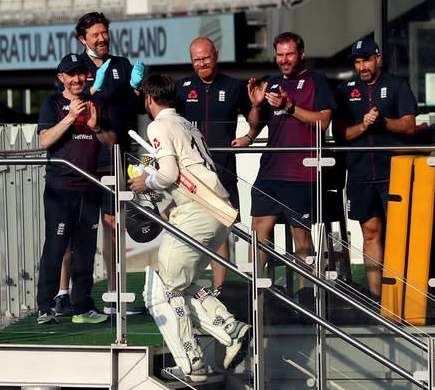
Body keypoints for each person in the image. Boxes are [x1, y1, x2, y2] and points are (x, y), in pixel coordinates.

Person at [129, 74, 251, 383]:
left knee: (160, 292)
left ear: (149, 99)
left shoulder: (158, 125)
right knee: (181, 285)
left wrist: (147, 182)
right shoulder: (187, 124)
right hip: (218, 208)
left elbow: (168, 174)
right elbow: (186, 170)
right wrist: (166, 198)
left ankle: (192, 363)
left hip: (197, 210)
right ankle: (229, 327)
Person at [245, 32, 335, 281]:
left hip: (303, 172)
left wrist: (289, 107)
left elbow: (324, 122)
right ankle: (257, 296)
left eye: (290, 54)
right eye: (280, 55)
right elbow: (255, 126)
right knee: (258, 233)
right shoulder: (272, 83)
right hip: (270, 172)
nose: (284, 60)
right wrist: (255, 105)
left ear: (302, 54)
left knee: (301, 236)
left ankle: (306, 296)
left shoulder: (317, 81)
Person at [36, 53, 116, 325]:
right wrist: (70, 117)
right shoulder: (52, 104)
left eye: (81, 73)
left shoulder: (95, 104)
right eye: (72, 74)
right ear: (62, 79)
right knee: (56, 248)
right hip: (60, 189)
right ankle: (45, 307)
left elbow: (111, 141)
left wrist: (95, 127)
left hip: (90, 187)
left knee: (85, 250)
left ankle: (82, 306)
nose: (78, 78)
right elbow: (45, 141)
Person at [75, 11, 146, 315]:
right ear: (83, 39)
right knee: (79, 226)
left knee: (114, 224)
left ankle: (117, 295)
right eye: (95, 34)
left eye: (105, 32)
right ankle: (68, 297)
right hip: (82, 154)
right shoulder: (74, 67)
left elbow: (137, 109)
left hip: (116, 153)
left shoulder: (121, 64)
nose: (102, 38)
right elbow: (68, 105)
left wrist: (136, 89)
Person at [333, 38, 416, 298]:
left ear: (378, 58)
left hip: (394, 171)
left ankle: (401, 299)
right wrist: (365, 126)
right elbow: (340, 134)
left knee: (398, 234)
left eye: (366, 60)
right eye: (358, 62)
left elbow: (410, 125)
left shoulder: (396, 84)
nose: (362, 66)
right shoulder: (345, 90)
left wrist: (382, 122)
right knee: (370, 233)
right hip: (359, 173)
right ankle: (376, 298)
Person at [174, 36, 252, 291]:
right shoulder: (181, 87)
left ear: (216, 55)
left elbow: (254, 114)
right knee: (187, 232)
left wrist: (249, 136)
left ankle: (221, 291)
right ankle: (187, 288)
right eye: (197, 59)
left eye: (206, 57)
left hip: (223, 170)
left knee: (219, 233)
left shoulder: (234, 86)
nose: (202, 63)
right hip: (189, 174)